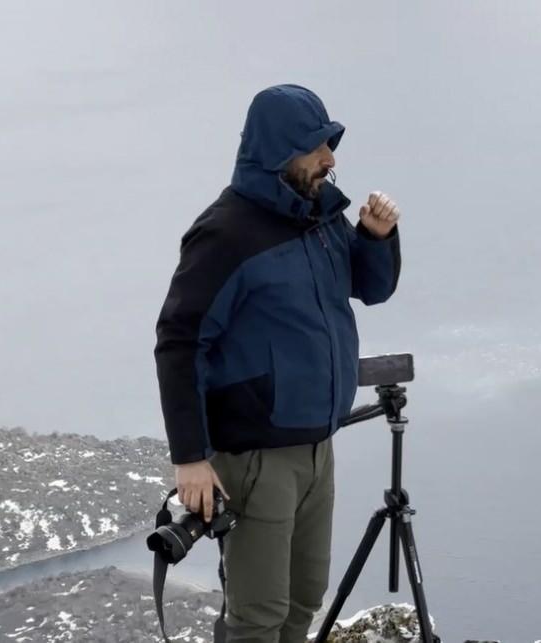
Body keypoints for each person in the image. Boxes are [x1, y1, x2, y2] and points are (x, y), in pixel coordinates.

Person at [153, 83, 402, 642]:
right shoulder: (225, 234)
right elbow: (178, 341)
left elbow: (369, 288)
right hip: (256, 460)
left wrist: (375, 238)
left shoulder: (320, 218)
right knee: (257, 615)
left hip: (317, 449)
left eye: (330, 144)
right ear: (278, 152)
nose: (330, 159)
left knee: (303, 601)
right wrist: (190, 457)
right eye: (317, 146)